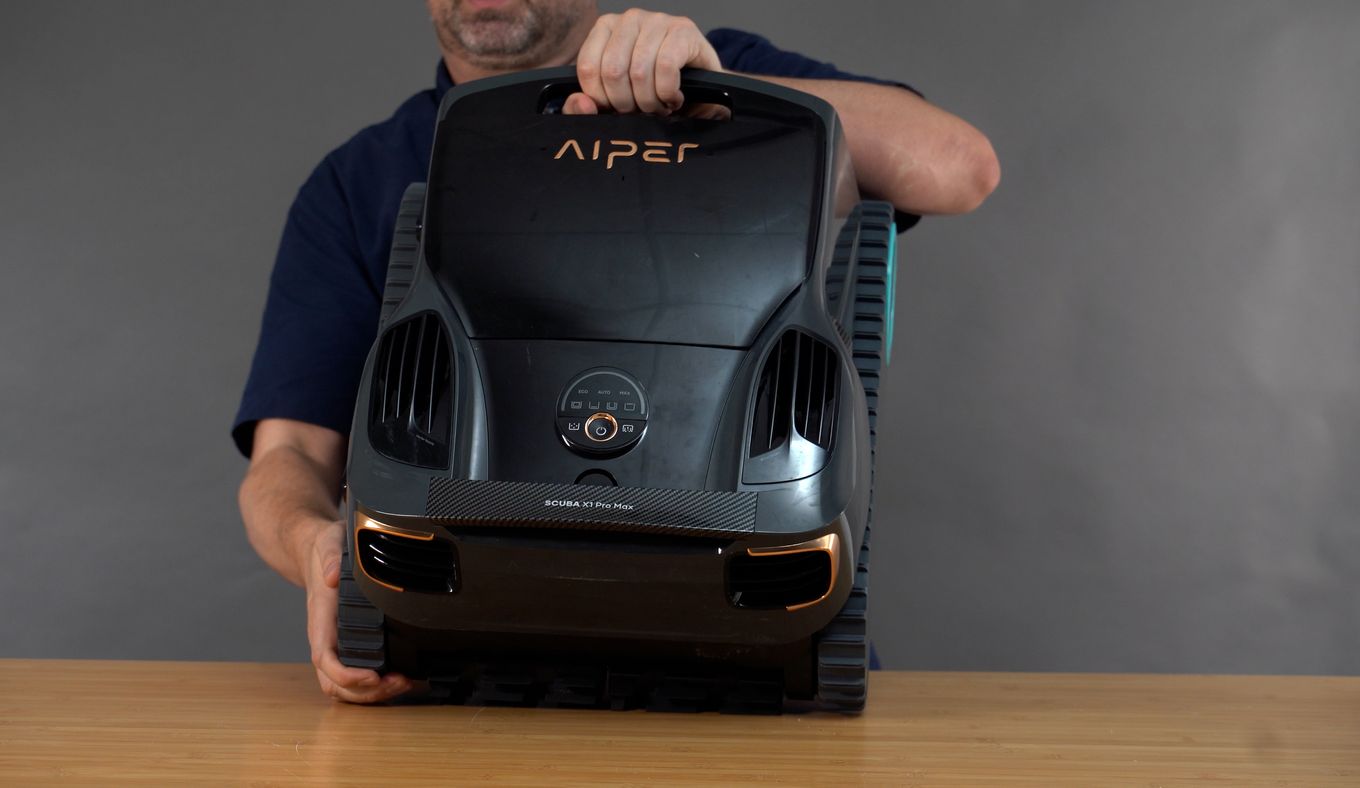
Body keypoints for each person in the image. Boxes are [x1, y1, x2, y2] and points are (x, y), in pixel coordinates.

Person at [235, 0, 1000, 704]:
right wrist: (318, 550)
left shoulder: (744, 100)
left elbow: (958, 167)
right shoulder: (361, 180)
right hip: (478, 689)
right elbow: (287, 454)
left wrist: (716, 87)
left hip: (762, 667)